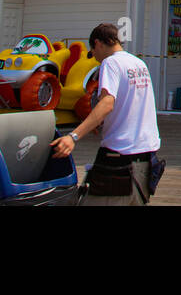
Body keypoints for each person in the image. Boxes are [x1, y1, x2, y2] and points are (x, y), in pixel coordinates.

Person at [51, 22, 161, 206]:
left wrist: (73, 136)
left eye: (93, 51)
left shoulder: (110, 63)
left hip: (120, 157)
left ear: (98, 43)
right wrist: (100, 122)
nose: (94, 57)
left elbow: (107, 103)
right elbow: (131, 103)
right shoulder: (138, 63)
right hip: (146, 156)